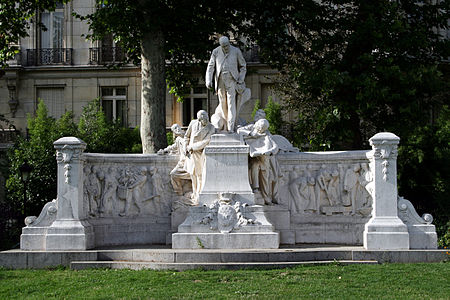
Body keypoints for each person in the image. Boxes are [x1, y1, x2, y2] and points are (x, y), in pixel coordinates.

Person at [206, 36, 247, 132]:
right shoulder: (216, 51)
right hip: (220, 81)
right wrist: (208, 80)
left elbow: (243, 66)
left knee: (231, 103)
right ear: (220, 45)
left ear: (229, 43)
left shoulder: (236, 51)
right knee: (222, 103)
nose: (225, 48)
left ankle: (231, 127)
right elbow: (211, 66)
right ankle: (225, 125)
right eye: (223, 46)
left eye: (227, 45)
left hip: (232, 80)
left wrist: (240, 79)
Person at [239, 118, 280, 205]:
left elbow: (275, 147)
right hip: (252, 158)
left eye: (263, 129)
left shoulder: (266, 135)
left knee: (265, 177)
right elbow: (239, 130)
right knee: (255, 165)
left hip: (265, 158)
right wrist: (251, 134)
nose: (261, 130)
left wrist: (270, 151)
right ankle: (256, 188)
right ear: (257, 125)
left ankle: (266, 198)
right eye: (260, 128)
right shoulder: (251, 128)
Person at [184, 110, 215, 203]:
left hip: (199, 153)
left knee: (200, 174)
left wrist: (192, 147)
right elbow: (186, 136)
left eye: (206, 118)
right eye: (203, 119)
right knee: (192, 174)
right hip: (190, 154)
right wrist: (186, 147)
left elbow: (206, 141)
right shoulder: (193, 123)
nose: (206, 120)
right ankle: (195, 192)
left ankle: (199, 193)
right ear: (199, 119)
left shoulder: (211, 128)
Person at [157, 124, 190, 195]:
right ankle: (179, 192)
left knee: (193, 176)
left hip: (190, 161)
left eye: (177, 128)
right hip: (183, 162)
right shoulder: (178, 139)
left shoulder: (188, 136)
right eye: (174, 129)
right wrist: (164, 150)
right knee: (173, 174)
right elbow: (173, 146)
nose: (177, 130)